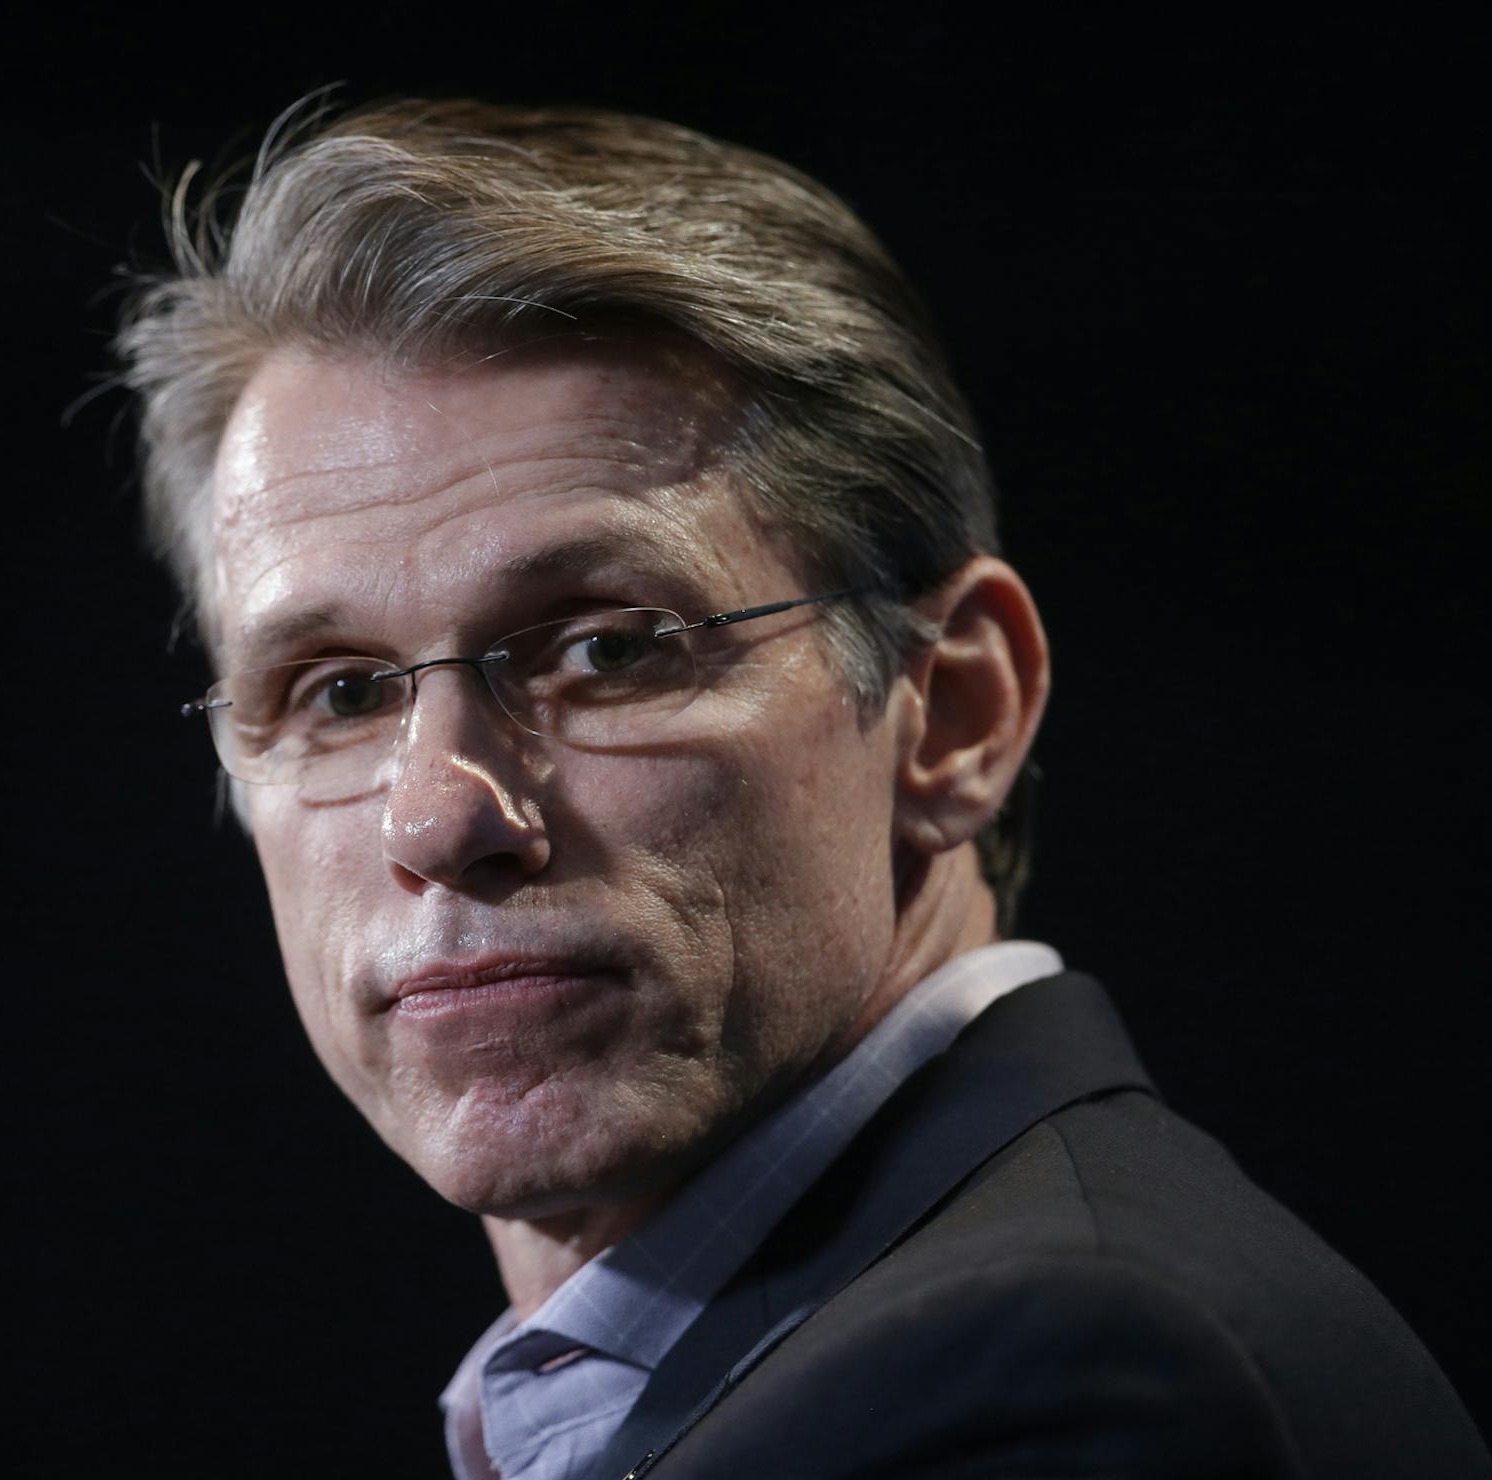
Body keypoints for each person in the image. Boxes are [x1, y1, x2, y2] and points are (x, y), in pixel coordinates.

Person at [112, 98, 1488, 1479]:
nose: (440, 818)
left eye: (607, 649)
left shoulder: (1062, 1383)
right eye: (340, 692)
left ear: (955, 709)